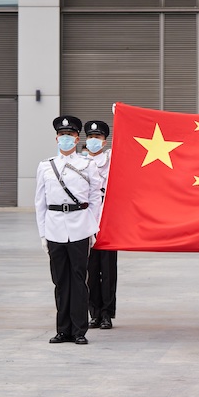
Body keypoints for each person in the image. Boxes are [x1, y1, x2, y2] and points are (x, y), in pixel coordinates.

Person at [35, 116, 103, 345]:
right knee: (60, 281)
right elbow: (40, 202)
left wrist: (93, 229)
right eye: (62, 135)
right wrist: (43, 234)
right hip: (54, 227)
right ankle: (63, 329)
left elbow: (95, 198)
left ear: (76, 139)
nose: (66, 139)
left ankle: (79, 330)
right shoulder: (45, 166)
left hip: (80, 227)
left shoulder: (88, 165)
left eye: (70, 135)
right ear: (56, 138)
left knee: (78, 279)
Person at [84, 119, 117, 331]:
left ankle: (107, 314)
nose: (93, 141)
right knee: (90, 270)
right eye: (90, 137)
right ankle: (94, 313)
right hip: (85, 222)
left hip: (108, 223)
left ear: (105, 141)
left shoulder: (112, 159)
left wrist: (121, 117)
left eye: (98, 137)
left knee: (108, 270)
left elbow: (128, 143)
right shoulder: (79, 162)